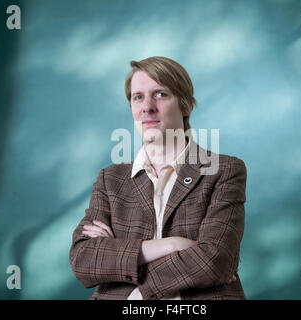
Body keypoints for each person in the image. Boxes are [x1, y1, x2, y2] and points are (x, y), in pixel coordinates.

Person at [69, 56, 247, 300]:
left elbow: (214, 261)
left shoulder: (222, 170)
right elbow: (84, 260)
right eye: (138, 97)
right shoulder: (111, 179)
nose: (147, 107)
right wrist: (172, 245)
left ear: (185, 106)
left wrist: (138, 289)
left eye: (161, 94)